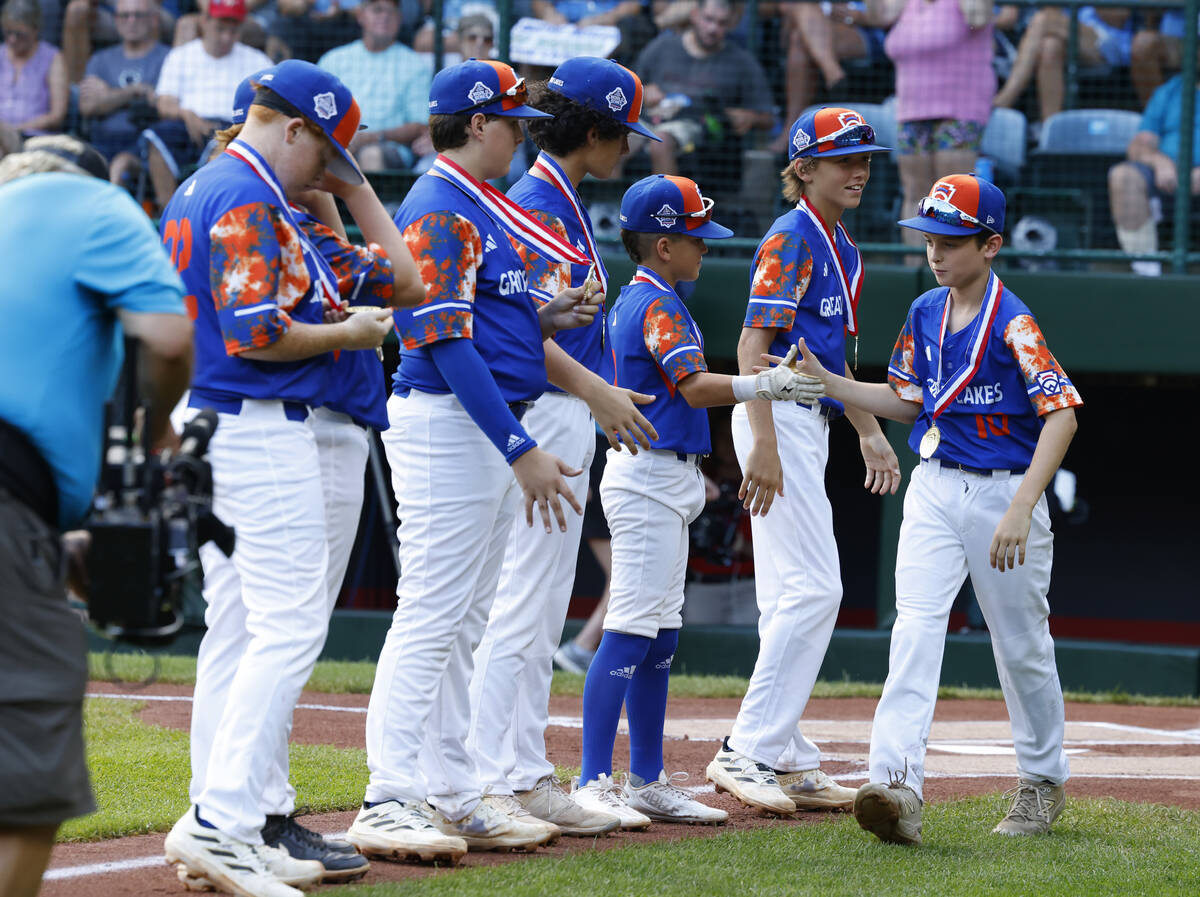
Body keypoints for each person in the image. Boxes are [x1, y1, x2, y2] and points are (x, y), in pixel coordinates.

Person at [346, 58, 620, 861]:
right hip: (448, 423)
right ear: (476, 124)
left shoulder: (478, 202)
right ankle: (388, 794)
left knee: (464, 617)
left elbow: (482, 316)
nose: (520, 137)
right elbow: (441, 340)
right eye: (511, 122)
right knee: (434, 610)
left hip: (475, 423)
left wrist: (544, 310)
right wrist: (520, 446)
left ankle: (456, 792)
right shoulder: (440, 203)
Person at [168, 68, 423, 891]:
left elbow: (408, 280)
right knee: (284, 627)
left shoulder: (220, 190)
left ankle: (220, 812)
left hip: (221, 422)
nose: (326, 171)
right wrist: (348, 333)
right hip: (250, 420)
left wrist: (348, 183)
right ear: (295, 129)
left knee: (242, 629)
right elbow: (258, 335)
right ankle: (223, 821)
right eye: (325, 152)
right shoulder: (241, 194)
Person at [788, 173, 1080, 845]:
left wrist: (1023, 506)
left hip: (1007, 490)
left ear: (991, 245)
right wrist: (833, 384)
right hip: (935, 482)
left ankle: (1041, 781)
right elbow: (909, 400)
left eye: (951, 240)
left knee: (1022, 645)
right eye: (930, 238)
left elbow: (1061, 415)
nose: (936, 251)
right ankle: (896, 784)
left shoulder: (1014, 320)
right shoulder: (925, 311)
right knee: (914, 627)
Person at [571, 173, 824, 827]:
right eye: (693, 238)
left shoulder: (649, 296)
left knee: (659, 635)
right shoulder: (655, 302)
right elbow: (690, 387)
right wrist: (764, 381)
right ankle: (593, 778)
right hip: (646, 475)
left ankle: (647, 777)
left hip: (662, 473)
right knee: (630, 630)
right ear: (662, 245)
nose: (703, 249)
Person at [466, 55, 664, 839]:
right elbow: (519, 336)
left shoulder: (561, 199)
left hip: (561, 412)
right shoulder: (538, 203)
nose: (631, 148)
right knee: (523, 597)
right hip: (543, 412)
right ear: (595, 131)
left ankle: (520, 769)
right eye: (624, 134)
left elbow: (544, 319)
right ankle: (494, 773)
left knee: (543, 600)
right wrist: (596, 391)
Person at [0, 134, 192, 897]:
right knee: (25, 774)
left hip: (24, 511)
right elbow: (169, 337)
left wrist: (50, 539)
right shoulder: (96, 202)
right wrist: (146, 446)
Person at [704, 107, 898, 816]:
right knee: (818, 589)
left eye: (866, 158)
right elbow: (753, 350)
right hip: (775, 412)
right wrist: (764, 444)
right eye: (845, 158)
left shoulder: (841, 244)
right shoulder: (792, 237)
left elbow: (834, 362)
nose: (860, 170)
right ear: (803, 168)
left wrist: (868, 429)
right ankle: (748, 749)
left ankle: (785, 753)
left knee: (787, 596)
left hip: (804, 414)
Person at [870, 0, 995, 255]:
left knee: (952, 193)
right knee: (915, 192)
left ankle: (954, 273)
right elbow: (877, 15)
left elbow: (978, 16)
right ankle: (917, 271)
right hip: (911, 109)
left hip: (960, 106)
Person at [143, 0, 271, 211]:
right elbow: (164, 104)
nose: (226, 37)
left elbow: (269, 108)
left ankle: (208, 216)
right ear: (204, 21)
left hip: (233, 128)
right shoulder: (181, 56)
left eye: (233, 29)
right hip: (186, 124)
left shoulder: (258, 61)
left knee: (225, 148)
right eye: (220, 28)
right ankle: (171, 214)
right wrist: (186, 114)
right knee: (154, 138)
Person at [633, 0, 773, 180]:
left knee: (661, 141)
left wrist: (750, 117)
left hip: (697, 128)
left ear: (731, 24)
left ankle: (669, 207)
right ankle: (605, 203)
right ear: (695, 15)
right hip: (648, 119)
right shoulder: (661, 47)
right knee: (616, 138)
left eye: (721, 23)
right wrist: (642, 93)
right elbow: (626, 89)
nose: (713, 28)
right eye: (708, 19)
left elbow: (768, 118)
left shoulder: (741, 62)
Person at [1107, 46, 1200, 277]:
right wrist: (1158, 161)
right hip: (1169, 181)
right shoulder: (1170, 91)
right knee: (1124, 175)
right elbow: (1139, 144)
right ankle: (1146, 272)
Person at [317, 0, 433, 173]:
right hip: (337, 142)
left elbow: (420, 125)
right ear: (361, 16)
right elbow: (315, 112)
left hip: (387, 148)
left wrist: (373, 137)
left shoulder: (415, 64)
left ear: (399, 19)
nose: (384, 16)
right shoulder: (333, 60)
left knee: (371, 155)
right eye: (377, 10)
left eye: (391, 11)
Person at [77, 0, 170, 187]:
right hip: (101, 142)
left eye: (138, 15)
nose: (131, 21)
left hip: (143, 145)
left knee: (120, 166)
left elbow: (159, 103)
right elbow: (87, 107)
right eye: (125, 15)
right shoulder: (99, 60)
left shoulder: (167, 57)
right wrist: (136, 91)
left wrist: (108, 96)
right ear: (116, 20)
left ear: (153, 19)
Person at [774, 2, 886, 153]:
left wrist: (856, 16)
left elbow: (889, 13)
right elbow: (785, 6)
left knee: (800, 39)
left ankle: (792, 129)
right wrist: (826, 9)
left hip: (864, 30)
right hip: (814, 26)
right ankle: (833, 73)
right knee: (802, 14)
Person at [992, 6, 1133, 122]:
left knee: (1043, 19)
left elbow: (1119, 17)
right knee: (1050, 47)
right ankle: (1049, 129)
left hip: (1110, 43)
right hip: (1069, 35)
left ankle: (1004, 101)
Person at [0, 0, 68, 135]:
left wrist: (16, 131)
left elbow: (57, 115)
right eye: (8, 32)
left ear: (35, 29)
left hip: (33, 137)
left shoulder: (53, 58)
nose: (12, 39)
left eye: (20, 34)